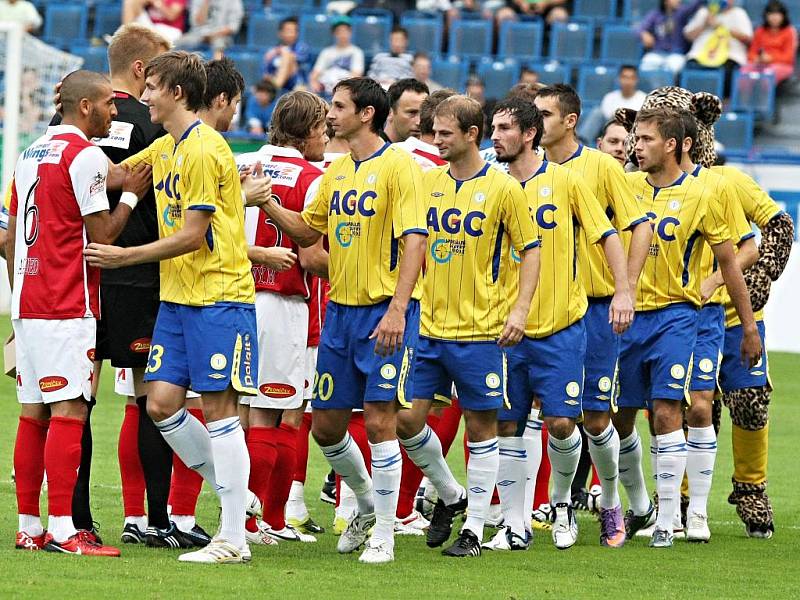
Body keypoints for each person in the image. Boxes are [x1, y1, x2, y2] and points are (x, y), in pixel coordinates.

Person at [84, 50, 271, 564]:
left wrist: (125, 256)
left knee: (219, 410)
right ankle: (237, 494)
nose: (143, 97)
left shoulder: (206, 150)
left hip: (219, 297)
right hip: (178, 300)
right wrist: (67, 136)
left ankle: (232, 537)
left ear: (177, 94)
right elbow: (115, 174)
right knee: (162, 405)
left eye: (153, 88)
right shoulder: (166, 146)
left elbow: (193, 234)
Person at [255, 77, 427, 565]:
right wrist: (266, 201)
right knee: (327, 427)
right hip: (339, 314)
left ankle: (386, 534)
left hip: (384, 313)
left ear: (367, 113)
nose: (330, 114)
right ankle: (369, 504)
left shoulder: (399, 167)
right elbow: (308, 230)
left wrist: (398, 307)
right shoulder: (336, 172)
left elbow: (415, 239)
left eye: (338, 106)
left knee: (379, 420)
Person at [391, 94, 540, 558]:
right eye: (434, 131)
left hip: (481, 331)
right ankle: (450, 493)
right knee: (406, 419)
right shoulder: (427, 182)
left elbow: (531, 249)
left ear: (472, 135)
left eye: (444, 133)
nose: (435, 140)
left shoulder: (503, 189)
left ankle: (474, 528)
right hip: (429, 327)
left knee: (481, 427)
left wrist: (519, 311)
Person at [8, 69, 148, 557]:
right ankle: (67, 531)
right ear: (85, 106)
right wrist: (130, 194)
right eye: (109, 103)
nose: (115, 111)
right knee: (69, 410)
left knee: (33, 414)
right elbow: (103, 237)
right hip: (67, 300)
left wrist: (16, 295)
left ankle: (29, 526)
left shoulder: (31, 152)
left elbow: (10, 237)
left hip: (27, 300)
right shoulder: (84, 154)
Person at [487, 95, 635, 551]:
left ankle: (572, 503)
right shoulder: (490, 183)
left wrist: (624, 290)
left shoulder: (567, 182)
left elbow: (607, 235)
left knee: (565, 424)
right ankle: (515, 525)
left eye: (503, 129)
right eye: (491, 130)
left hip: (563, 323)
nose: (495, 139)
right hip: (506, 327)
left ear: (528, 134)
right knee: (506, 425)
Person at [616, 107, 761, 548]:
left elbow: (735, 257)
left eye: (644, 139)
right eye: (634, 138)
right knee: (619, 416)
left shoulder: (707, 192)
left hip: (692, 315)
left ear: (675, 144)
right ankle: (643, 504)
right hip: (630, 319)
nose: (634, 147)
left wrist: (749, 326)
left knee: (690, 407)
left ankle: (688, 511)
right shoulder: (624, 186)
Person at [534, 84, 652, 548]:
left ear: (570, 120)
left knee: (598, 416)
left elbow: (638, 226)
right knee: (551, 417)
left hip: (597, 307)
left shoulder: (602, 167)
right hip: (544, 309)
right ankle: (553, 505)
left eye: (545, 114)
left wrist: (626, 289)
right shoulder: (522, 171)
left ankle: (610, 501)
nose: (536, 121)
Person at [236, 90, 330, 545]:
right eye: (323, 127)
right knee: (278, 414)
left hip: (235, 298)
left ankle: (261, 520)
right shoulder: (313, 177)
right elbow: (313, 259)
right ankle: (258, 521)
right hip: (284, 304)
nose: (327, 135)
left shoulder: (242, 163)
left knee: (245, 412)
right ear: (309, 130)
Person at [675, 110, 758, 542]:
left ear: (681, 142)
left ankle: (698, 512)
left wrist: (711, 282)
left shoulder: (715, 186)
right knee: (658, 413)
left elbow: (746, 247)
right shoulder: (635, 185)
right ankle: (664, 508)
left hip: (704, 315)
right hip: (651, 315)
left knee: (701, 407)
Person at [711, 164, 793, 539]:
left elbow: (779, 226)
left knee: (749, 400)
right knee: (686, 406)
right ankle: (677, 502)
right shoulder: (643, 184)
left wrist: (760, 276)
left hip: (737, 316)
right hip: (682, 315)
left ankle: (751, 490)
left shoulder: (730, 180)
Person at [684, 0, 753, 96]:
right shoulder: (704, 12)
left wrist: (722, 26)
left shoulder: (739, 13)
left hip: (729, 57)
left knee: (727, 74)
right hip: (699, 56)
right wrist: (705, 24)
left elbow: (748, 38)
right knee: (687, 69)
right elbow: (688, 36)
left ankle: (722, 105)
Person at [578, 66, 646, 143]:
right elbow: (607, 119)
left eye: (631, 78)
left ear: (636, 80)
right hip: (610, 127)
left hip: (632, 130)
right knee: (597, 112)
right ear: (619, 79)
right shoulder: (609, 97)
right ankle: (581, 142)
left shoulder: (643, 98)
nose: (627, 81)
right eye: (624, 77)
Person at [638, 0, 703, 74]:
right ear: (665, 1)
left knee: (672, 68)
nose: (679, 1)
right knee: (646, 66)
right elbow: (639, 28)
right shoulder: (655, 14)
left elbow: (694, 6)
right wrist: (643, 34)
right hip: (657, 53)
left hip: (676, 54)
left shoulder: (681, 13)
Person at [741, 0, 798, 85]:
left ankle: (764, 98)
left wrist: (770, 59)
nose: (774, 17)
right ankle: (744, 98)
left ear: (783, 16)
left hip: (781, 65)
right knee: (744, 72)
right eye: (771, 14)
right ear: (766, 15)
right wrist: (757, 58)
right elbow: (751, 53)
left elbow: (788, 57)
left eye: (778, 14)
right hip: (760, 64)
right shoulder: (760, 31)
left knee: (768, 74)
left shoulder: (789, 31)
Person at [309, 19, 365, 96]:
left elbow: (356, 76)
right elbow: (316, 72)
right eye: (339, 31)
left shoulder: (356, 52)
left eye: (345, 31)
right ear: (334, 33)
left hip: (345, 88)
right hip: (325, 87)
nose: (342, 34)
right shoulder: (326, 52)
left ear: (350, 32)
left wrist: (340, 87)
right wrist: (313, 82)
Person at [262, 16, 312, 94]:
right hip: (277, 84)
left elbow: (298, 60)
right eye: (288, 30)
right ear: (280, 33)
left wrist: (282, 51)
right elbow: (266, 73)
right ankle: (275, 85)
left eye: (294, 31)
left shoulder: (302, 47)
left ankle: (277, 84)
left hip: (297, 85)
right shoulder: (272, 52)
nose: (291, 34)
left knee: (288, 56)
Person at [176, 0, 243, 57]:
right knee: (176, 43)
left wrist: (213, 35)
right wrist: (206, 2)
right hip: (197, 34)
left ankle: (218, 70)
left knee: (219, 43)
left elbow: (233, 27)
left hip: (220, 35)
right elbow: (197, 22)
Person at [383, 78, 429, 143]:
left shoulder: (432, 150)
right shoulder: (371, 151)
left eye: (424, 113)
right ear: (389, 112)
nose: (419, 122)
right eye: (412, 113)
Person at [122, 0, 188, 43]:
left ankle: (126, 38)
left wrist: (157, 3)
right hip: (152, 26)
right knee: (130, 1)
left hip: (170, 30)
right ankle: (124, 36)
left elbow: (171, 16)